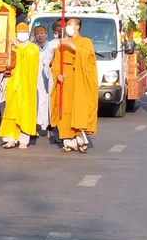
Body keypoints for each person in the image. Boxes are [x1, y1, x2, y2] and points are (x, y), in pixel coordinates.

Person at [51, 18, 98, 153]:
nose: (67, 27)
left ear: (77, 27)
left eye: (70, 25)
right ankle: (68, 141)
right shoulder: (62, 44)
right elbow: (56, 64)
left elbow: (89, 57)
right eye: (67, 25)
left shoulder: (85, 42)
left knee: (78, 110)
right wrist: (58, 75)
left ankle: (80, 138)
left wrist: (71, 46)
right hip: (65, 81)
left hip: (78, 81)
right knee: (65, 110)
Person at [0, 23, 39, 149]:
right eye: (19, 31)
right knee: (11, 111)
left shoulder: (33, 48)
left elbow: (29, 58)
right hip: (12, 84)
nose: (21, 33)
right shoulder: (12, 47)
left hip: (26, 86)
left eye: (24, 31)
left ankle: (23, 140)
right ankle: (10, 139)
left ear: (28, 33)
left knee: (25, 112)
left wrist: (17, 47)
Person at [33, 26, 54, 136]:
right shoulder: (32, 47)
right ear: (35, 36)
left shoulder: (50, 46)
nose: (40, 35)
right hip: (36, 78)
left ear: (46, 34)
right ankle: (35, 127)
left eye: (42, 33)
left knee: (48, 101)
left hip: (48, 77)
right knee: (36, 101)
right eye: (38, 34)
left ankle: (48, 127)